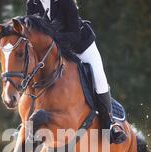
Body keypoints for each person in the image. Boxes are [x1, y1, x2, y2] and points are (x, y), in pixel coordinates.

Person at [26, 0, 126, 144]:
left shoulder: (65, 2)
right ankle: (27, 123)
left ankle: (109, 125)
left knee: (99, 79)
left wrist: (52, 39)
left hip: (81, 46)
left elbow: (74, 33)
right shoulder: (32, 4)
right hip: (56, 51)